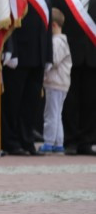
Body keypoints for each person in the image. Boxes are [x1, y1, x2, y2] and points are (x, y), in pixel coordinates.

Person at [2, 0, 51, 156]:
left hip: (39, 55)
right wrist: (9, 50)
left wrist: (48, 55)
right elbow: (9, 20)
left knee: (32, 102)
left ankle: (27, 140)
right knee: (14, 101)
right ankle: (11, 142)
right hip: (19, 54)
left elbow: (47, 25)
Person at [49, 0, 96, 156]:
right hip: (67, 55)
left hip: (93, 55)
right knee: (70, 100)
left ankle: (87, 141)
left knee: (91, 100)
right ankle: (71, 140)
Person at [41, 8, 71, 153]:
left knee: (51, 114)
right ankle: (58, 142)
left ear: (53, 25)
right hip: (61, 83)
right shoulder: (63, 41)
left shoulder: (57, 42)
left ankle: (48, 141)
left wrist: (43, 69)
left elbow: (53, 60)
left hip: (55, 83)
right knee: (57, 113)